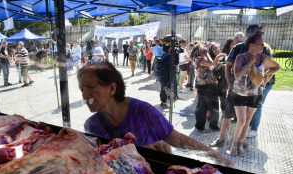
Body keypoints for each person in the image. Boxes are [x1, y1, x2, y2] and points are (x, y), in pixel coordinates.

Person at [78, 62, 233, 166]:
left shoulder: (143, 112)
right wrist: (140, 151)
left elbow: (178, 139)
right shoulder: (92, 125)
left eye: (90, 87)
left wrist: (217, 157)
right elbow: (104, 162)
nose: (85, 95)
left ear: (112, 88)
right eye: (82, 89)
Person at [230, 34, 280, 156]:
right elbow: (237, 75)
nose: (263, 46)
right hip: (240, 93)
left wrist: (267, 75)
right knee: (241, 121)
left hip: (255, 93)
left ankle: (241, 144)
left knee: (247, 121)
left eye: (263, 43)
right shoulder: (241, 57)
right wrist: (249, 63)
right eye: (260, 44)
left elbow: (277, 66)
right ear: (251, 45)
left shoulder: (263, 58)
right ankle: (233, 145)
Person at [191, 42, 225, 132]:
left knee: (214, 106)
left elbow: (212, 67)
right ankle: (200, 126)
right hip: (203, 86)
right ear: (199, 50)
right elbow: (210, 63)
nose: (206, 48)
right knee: (202, 107)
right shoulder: (198, 58)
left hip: (212, 85)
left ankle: (213, 125)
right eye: (203, 47)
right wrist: (207, 53)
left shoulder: (205, 58)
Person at [209, 44, 227, 115]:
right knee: (213, 100)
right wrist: (217, 59)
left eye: (217, 48)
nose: (216, 50)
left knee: (223, 99)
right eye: (214, 48)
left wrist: (223, 65)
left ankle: (223, 114)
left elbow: (229, 66)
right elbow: (211, 67)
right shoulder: (210, 58)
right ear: (211, 50)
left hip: (222, 81)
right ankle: (211, 115)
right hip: (213, 82)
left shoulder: (224, 57)